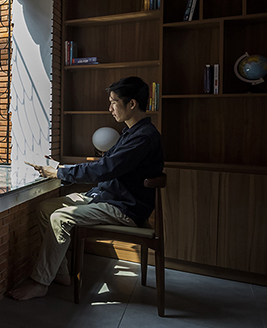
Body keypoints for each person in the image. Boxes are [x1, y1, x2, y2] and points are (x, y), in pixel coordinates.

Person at [9, 76, 163, 301]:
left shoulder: (144, 137)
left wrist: (60, 172)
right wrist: (61, 170)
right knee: (45, 208)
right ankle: (59, 273)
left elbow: (105, 168)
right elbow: (104, 165)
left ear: (131, 104)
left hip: (123, 208)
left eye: (113, 102)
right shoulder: (130, 132)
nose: (110, 108)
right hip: (105, 198)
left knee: (60, 218)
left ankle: (40, 282)